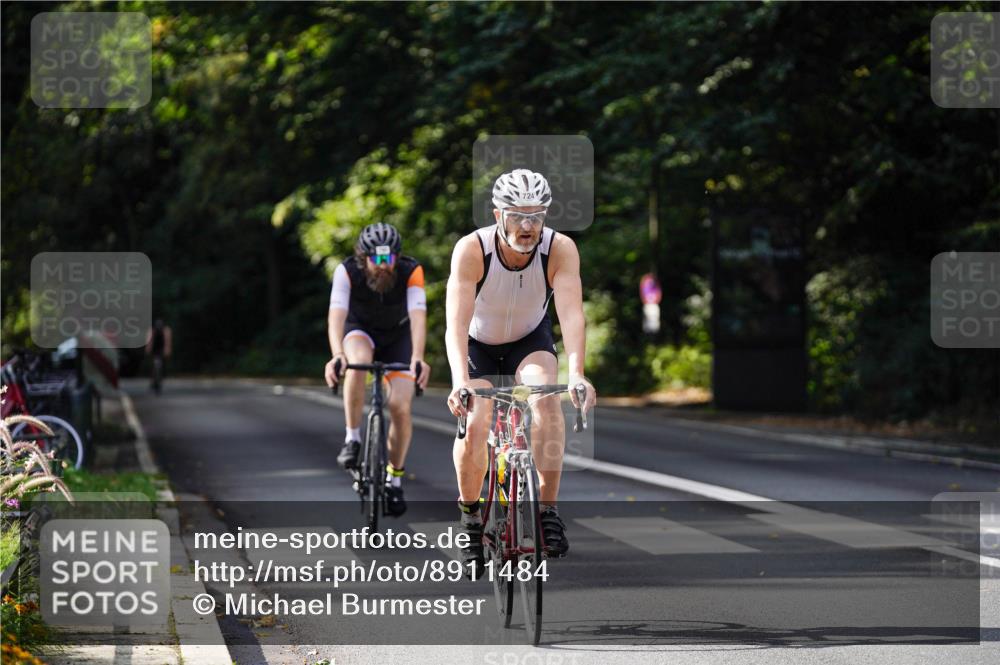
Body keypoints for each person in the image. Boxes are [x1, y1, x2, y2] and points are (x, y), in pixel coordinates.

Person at [445, 169, 597, 575]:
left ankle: (547, 509)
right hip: (478, 345)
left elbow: (571, 315)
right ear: (498, 215)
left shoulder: (560, 249)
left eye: (537, 215)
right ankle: (471, 518)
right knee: (476, 420)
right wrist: (460, 382)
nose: (528, 226)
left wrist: (578, 372)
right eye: (517, 215)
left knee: (546, 399)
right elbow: (456, 325)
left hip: (528, 341)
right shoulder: (471, 249)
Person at [324, 223, 431, 517]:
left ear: (397, 257)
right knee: (356, 365)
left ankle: (394, 478)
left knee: (400, 406)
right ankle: (352, 438)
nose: (383, 267)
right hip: (360, 331)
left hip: (398, 337)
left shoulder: (411, 271)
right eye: (377, 260)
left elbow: (418, 316)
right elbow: (336, 315)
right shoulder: (347, 271)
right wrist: (337, 355)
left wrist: (419, 357)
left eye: (389, 259)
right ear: (364, 258)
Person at [145, 319, 172, 394]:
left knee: (162, 364)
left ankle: (161, 379)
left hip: (161, 348)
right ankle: (152, 380)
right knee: (153, 364)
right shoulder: (152, 330)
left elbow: (168, 341)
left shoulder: (166, 330)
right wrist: (148, 348)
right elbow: (149, 341)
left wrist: (167, 349)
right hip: (155, 348)